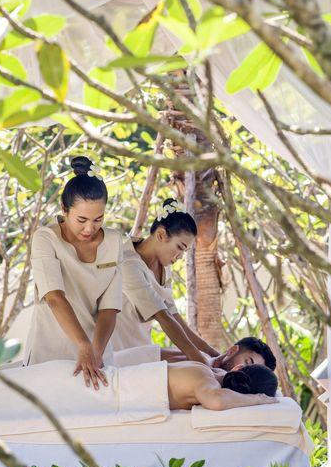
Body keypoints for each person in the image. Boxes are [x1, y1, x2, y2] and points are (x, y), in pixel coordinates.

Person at [27, 160, 215, 389]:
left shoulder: (113, 241)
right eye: (81, 220)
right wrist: (84, 346)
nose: (89, 229)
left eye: (98, 219)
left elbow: (109, 308)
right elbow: (54, 297)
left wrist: (96, 352)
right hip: (51, 352)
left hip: (98, 357)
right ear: (64, 210)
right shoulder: (45, 238)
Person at [108, 198, 220, 367]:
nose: (180, 256)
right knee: (198, 363)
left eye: (184, 251)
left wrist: (213, 354)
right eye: (180, 247)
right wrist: (202, 362)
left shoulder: (164, 266)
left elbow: (174, 316)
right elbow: (163, 317)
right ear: (161, 235)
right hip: (118, 355)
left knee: (203, 360)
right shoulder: (127, 263)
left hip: (142, 349)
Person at [168, 361, 279, 411]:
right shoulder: (206, 380)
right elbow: (217, 401)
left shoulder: (203, 368)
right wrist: (257, 399)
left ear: (238, 368)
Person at [163, 335, 277, 376]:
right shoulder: (204, 364)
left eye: (253, 372)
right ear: (232, 351)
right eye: (247, 363)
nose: (245, 372)